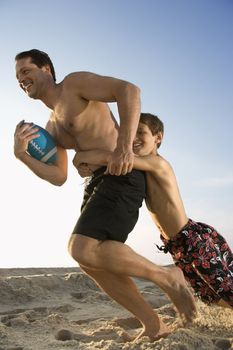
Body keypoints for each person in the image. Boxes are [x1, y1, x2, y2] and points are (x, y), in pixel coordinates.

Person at [14, 49, 196, 342]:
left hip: (122, 173)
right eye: (18, 77)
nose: (21, 80)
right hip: (98, 183)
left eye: (26, 71)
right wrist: (22, 156)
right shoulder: (52, 125)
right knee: (90, 261)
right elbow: (59, 176)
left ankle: (169, 277)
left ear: (46, 69)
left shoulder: (73, 85)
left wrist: (124, 146)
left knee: (81, 247)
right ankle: (153, 324)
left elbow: (129, 90)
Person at [74, 113, 233, 308]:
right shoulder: (143, 168)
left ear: (158, 138)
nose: (134, 139)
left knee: (226, 288)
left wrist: (79, 157)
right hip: (176, 244)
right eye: (131, 133)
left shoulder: (158, 163)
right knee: (209, 294)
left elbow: (111, 157)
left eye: (141, 132)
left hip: (192, 238)